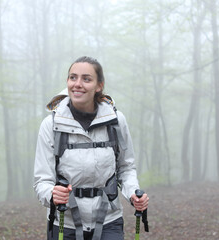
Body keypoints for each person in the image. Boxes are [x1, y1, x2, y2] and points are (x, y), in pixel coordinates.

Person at [33, 56, 149, 240]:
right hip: (64, 221)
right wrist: (52, 194)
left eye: (86, 79)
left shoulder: (116, 121)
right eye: (73, 77)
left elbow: (126, 168)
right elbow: (42, 181)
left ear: (99, 85)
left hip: (109, 220)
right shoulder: (51, 125)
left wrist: (133, 193)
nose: (77, 84)